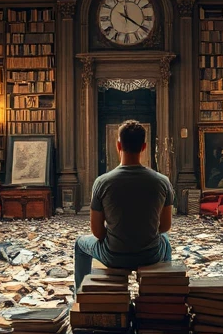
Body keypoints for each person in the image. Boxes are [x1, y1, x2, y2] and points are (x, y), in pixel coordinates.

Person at [74, 119, 173, 289]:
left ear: (118, 146)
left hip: (114, 256)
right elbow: (164, 227)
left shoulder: (102, 182)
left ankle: (80, 295)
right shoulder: (162, 182)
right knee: (165, 240)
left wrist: (120, 239)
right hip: (151, 255)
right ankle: (163, 293)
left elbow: (97, 232)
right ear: (144, 147)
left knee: (80, 244)